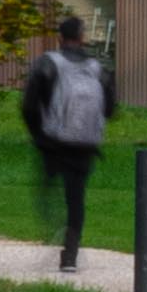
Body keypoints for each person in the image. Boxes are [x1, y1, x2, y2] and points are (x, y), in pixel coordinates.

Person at [18, 24, 112, 271]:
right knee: (76, 198)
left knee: (48, 190)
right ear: (82, 37)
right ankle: (70, 253)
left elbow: (28, 106)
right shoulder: (96, 68)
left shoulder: (47, 63)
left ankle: (52, 229)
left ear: (60, 37)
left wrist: (39, 136)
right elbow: (110, 108)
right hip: (84, 144)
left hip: (54, 143)